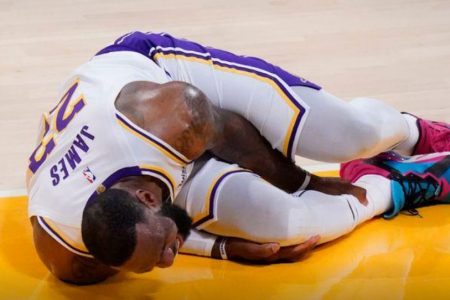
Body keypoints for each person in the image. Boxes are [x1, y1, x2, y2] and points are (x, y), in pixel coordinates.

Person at [26, 31, 449, 284]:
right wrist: (221, 249)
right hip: (157, 160)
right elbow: (146, 240)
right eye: (156, 264)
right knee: (285, 227)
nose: (169, 261)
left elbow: (227, 130)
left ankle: (412, 132)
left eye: (163, 250)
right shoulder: (68, 253)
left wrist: (305, 182)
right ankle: (388, 186)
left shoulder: (168, 117)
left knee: (348, 135)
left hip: (169, 79)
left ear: (150, 199)